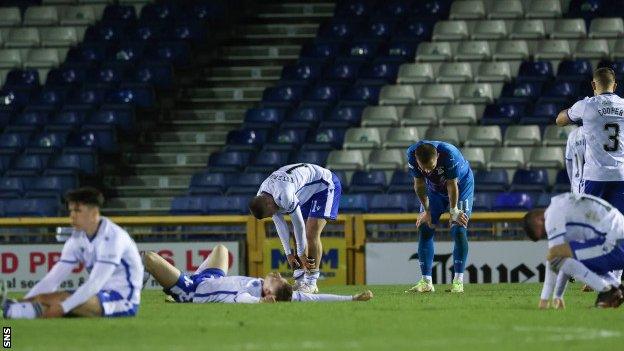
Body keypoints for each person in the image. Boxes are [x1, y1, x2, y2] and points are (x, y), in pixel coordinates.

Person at [1, 187, 144, 319]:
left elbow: (95, 283)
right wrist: (27, 299)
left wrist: (63, 308)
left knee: (62, 300)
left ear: (94, 213)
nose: (72, 216)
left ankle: (11, 312)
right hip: (98, 295)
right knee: (44, 298)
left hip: (123, 299)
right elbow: (53, 279)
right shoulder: (77, 238)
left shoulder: (113, 237)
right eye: (70, 211)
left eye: (77, 211)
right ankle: (11, 311)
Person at [556, 67, 623, 284]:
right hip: (621, 175)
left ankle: (593, 273)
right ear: (616, 85)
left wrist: (575, 116)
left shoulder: (586, 105)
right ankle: (615, 276)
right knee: (619, 226)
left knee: (590, 226)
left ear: (594, 85)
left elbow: (560, 120)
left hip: (596, 176)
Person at [142, 246, 372, 303]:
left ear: (269, 292)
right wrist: (351, 298)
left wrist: (261, 303)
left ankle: (135, 283)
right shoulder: (279, 291)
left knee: (149, 258)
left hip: (191, 290)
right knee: (222, 250)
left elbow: (245, 301)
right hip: (210, 279)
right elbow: (315, 298)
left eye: (276, 279)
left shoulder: (249, 296)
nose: (275, 274)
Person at [248, 163, 342, 294]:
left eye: (269, 214)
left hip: (324, 185)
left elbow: (299, 225)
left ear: (269, 203)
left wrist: (301, 254)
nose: (271, 216)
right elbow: (280, 225)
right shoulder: (263, 196)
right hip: (304, 190)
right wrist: (288, 253)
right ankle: (301, 281)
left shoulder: (284, 194)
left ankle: (311, 283)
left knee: (310, 233)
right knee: (297, 238)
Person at [523, 192, 624, 308]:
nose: (548, 236)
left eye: (544, 234)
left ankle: (607, 291)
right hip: (616, 237)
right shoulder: (562, 204)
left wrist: (544, 299)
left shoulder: (552, 215)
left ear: (539, 220)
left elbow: (555, 257)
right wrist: (557, 295)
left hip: (615, 244)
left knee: (557, 254)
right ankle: (617, 288)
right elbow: (565, 260)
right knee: (572, 255)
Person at [404, 141, 473, 294]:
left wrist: (454, 210)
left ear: (438, 157)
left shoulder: (450, 153)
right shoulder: (411, 154)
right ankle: (426, 282)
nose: (427, 171)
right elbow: (419, 184)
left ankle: (458, 282)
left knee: (458, 228)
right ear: (416, 159)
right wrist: (427, 212)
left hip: (460, 187)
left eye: (431, 167)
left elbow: (451, 184)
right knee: (424, 226)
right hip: (434, 190)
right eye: (424, 168)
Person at [565, 126, 586, 194]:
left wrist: (572, 183)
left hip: (577, 184)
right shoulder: (600, 132)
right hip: (595, 181)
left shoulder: (573, 134)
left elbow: (569, 162)